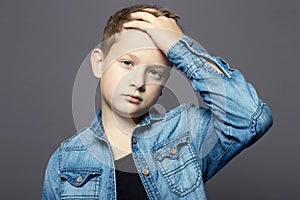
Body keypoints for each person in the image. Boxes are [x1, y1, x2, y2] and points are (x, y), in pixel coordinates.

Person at [42, 4, 273, 200]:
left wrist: (179, 45)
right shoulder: (65, 161)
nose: (138, 82)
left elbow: (251, 118)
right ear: (98, 63)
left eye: (154, 73)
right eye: (127, 63)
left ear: (163, 86)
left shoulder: (185, 132)